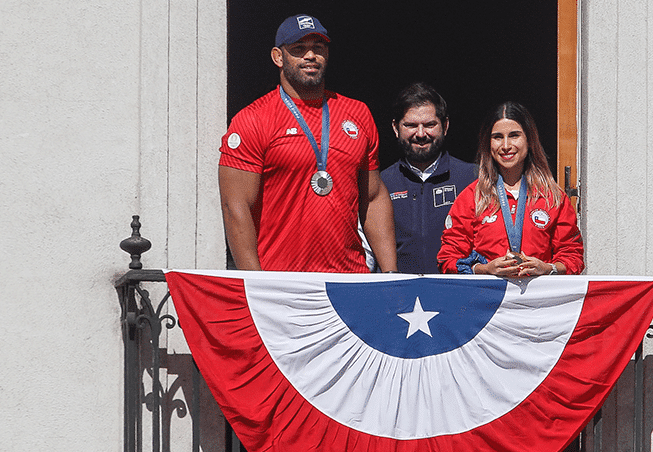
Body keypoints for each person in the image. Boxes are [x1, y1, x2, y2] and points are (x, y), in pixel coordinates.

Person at [218, 14, 397, 273]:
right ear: (278, 57)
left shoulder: (357, 113)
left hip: (348, 278)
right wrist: (256, 283)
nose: (310, 56)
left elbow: (373, 196)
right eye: (298, 49)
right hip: (281, 281)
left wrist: (390, 273)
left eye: (318, 48)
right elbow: (235, 208)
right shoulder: (253, 119)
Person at [437, 101, 584, 276]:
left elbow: (573, 256)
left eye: (514, 135)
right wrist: (485, 269)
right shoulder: (472, 197)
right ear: (488, 143)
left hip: (538, 300)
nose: (506, 145)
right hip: (488, 299)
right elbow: (448, 259)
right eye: (498, 137)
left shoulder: (552, 197)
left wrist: (547, 268)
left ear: (529, 140)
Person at [380, 83, 477, 273]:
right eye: (411, 125)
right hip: (400, 296)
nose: (421, 134)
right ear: (395, 128)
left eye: (430, 124)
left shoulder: (473, 178)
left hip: (459, 293)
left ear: (445, 126)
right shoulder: (380, 184)